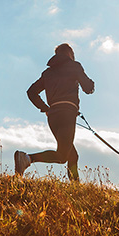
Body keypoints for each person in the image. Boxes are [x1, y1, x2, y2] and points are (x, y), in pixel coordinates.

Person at [14, 43, 95, 181]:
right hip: (67, 114)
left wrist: (45, 108)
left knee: (72, 155)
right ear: (70, 54)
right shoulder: (74, 66)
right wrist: (90, 83)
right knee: (63, 155)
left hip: (53, 116)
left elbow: (31, 92)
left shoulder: (48, 73)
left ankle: (75, 187)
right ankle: (27, 158)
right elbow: (88, 88)